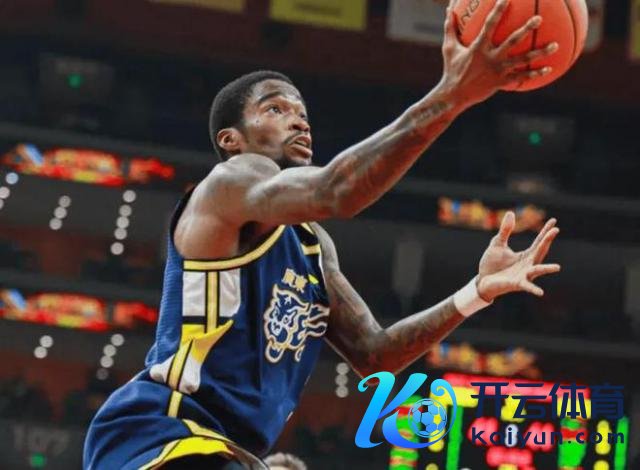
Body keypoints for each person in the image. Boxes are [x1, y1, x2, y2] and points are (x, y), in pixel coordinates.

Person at [83, 0, 561, 468]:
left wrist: (477, 291)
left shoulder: (312, 245)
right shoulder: (229, 183)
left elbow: (376, 354)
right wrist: (452, 93)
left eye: (302, 112)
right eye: (275, 108)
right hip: (163, 432)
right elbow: (337, 192)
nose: (298, 119)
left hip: (225, 448)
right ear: (232, 140)